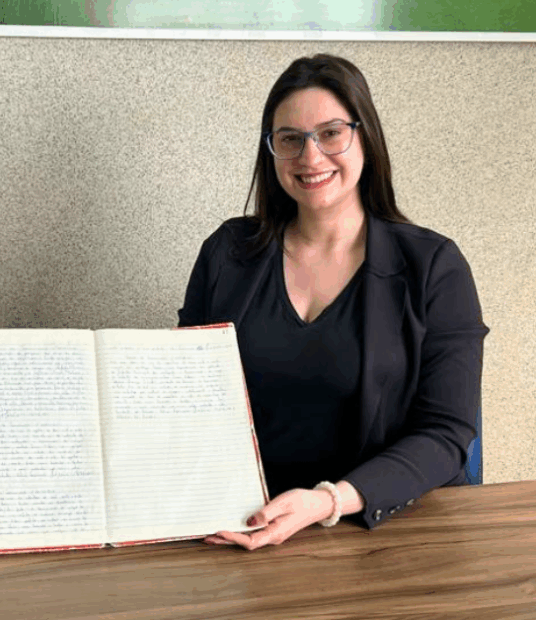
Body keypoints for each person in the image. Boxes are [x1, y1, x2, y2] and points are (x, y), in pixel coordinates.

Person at [178, 54, 487, 550]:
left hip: (387, 531)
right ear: (271, 150)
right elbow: (186, 401)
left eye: (330, 133)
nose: (311, 156)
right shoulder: (227, 253)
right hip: (248, 524)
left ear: (366, 138)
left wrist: (328, 501)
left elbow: (447, 434)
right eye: (290, 139)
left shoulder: (434, 267)